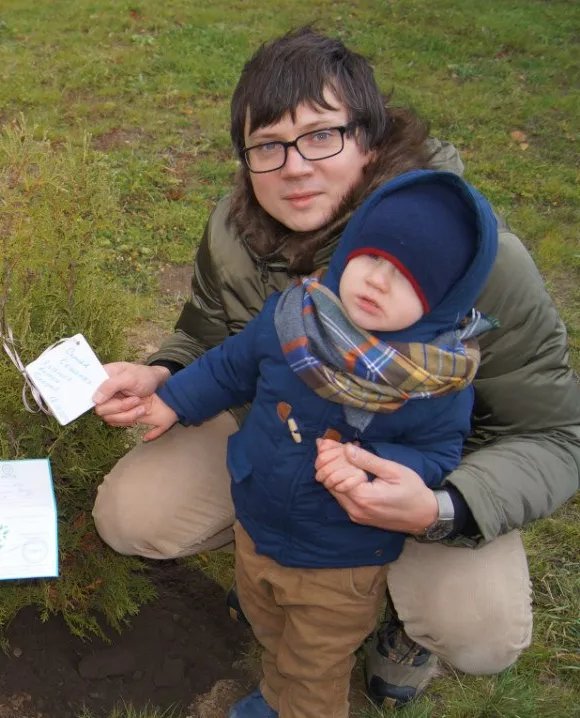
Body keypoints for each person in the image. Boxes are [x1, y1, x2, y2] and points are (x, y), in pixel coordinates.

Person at [91, 27, 580, 707]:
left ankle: (400, 627)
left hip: (428, 473)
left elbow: (556, 437)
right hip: (286, 450)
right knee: (132, 516)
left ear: (371, 140)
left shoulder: (475, 264)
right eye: (268, 145)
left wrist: (442, 504)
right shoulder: (238, 232)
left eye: (321, 135)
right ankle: (270, 563)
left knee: (481, 633)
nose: (293, 167)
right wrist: (164, 376)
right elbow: (210, 339)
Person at [136, 170, 498, 717]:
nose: (377, 281)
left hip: (341, 557)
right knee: (269, 625)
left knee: (315, 664)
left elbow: (439, 456)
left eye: (407, 279)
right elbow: (230, 368)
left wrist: (376, 467)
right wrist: (173, 398)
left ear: (444, 300)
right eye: (371, 258)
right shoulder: (292, 318)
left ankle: (298, 704)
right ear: (349, 248)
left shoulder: (432, 385)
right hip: (257, 522)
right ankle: (277, 691)